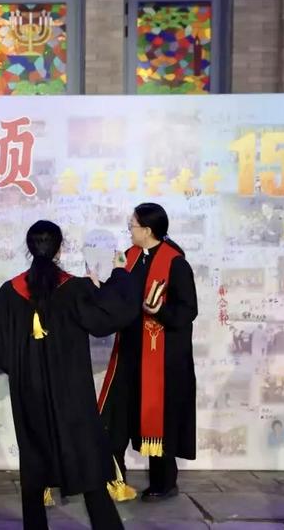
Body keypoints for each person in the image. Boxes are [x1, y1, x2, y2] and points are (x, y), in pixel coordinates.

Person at [0, 220, 135, 530]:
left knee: (34, 462)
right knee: (86, 457)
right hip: (72, 391)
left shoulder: (10, 292)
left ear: (28, 248)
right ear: (60, 249)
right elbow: (109, 317)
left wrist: (17, 366)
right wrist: (116, 276)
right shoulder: (75, 288)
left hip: (29, 391)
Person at [98, 203, 198, 502]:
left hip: (162, 358)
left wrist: (160, 311)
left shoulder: (175, 263)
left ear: (147, 230)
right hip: (128, 353)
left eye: (132, 225)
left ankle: (164, 483)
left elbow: (188, 310)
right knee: (116, 418)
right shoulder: (127, 258)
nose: (129, 230)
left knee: (160, 418)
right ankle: (115, 481)